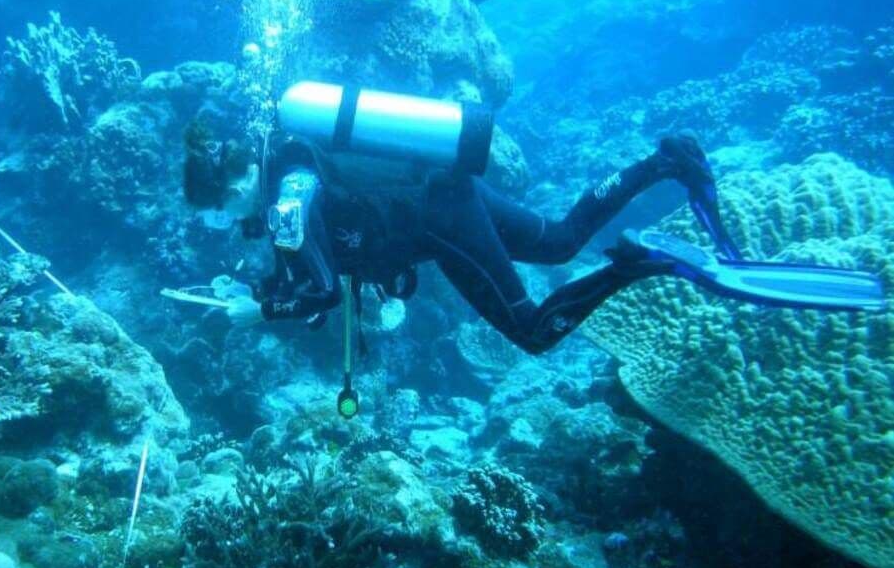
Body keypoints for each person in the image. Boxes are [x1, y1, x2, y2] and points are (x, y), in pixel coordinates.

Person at [181, 101, 885, 356]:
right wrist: (275, 283)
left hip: (437, 217)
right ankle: (664, 162)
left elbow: (323, 292)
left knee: (533, 333)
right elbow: (315, 257)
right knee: (555, 242)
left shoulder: (285, 199)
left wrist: (256, 310)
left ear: (231, 181)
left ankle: (644, 262)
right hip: (445, 187)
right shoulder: (296, 169)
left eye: (213, 209)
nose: (221, 222)